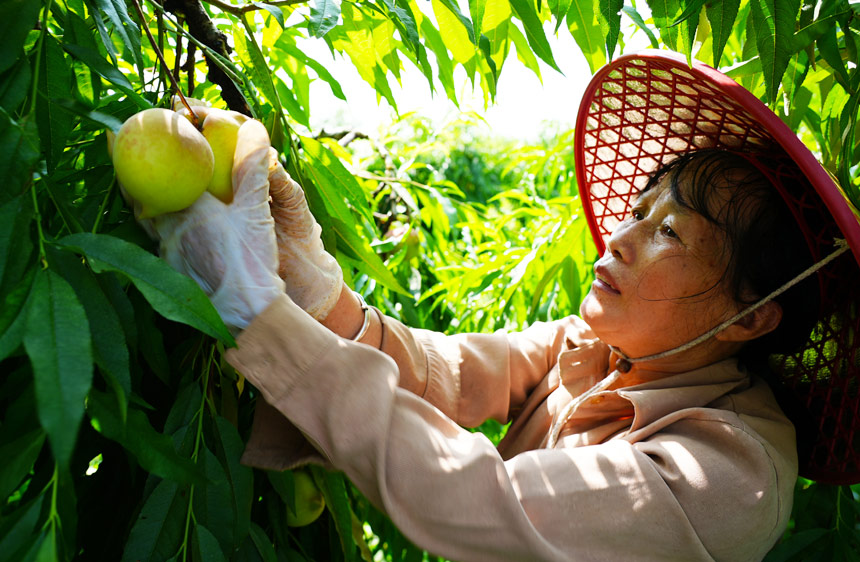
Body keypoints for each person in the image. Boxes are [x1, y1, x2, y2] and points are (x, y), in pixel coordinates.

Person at [138, 52, 860, 561]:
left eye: (668, 232)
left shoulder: (727, 475)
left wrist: (257, 311)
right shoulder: (597, 348)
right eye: (639, 211)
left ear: (753, 314)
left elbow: (482, 498)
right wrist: (309, 280)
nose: (621, 237)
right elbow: (444, 372)